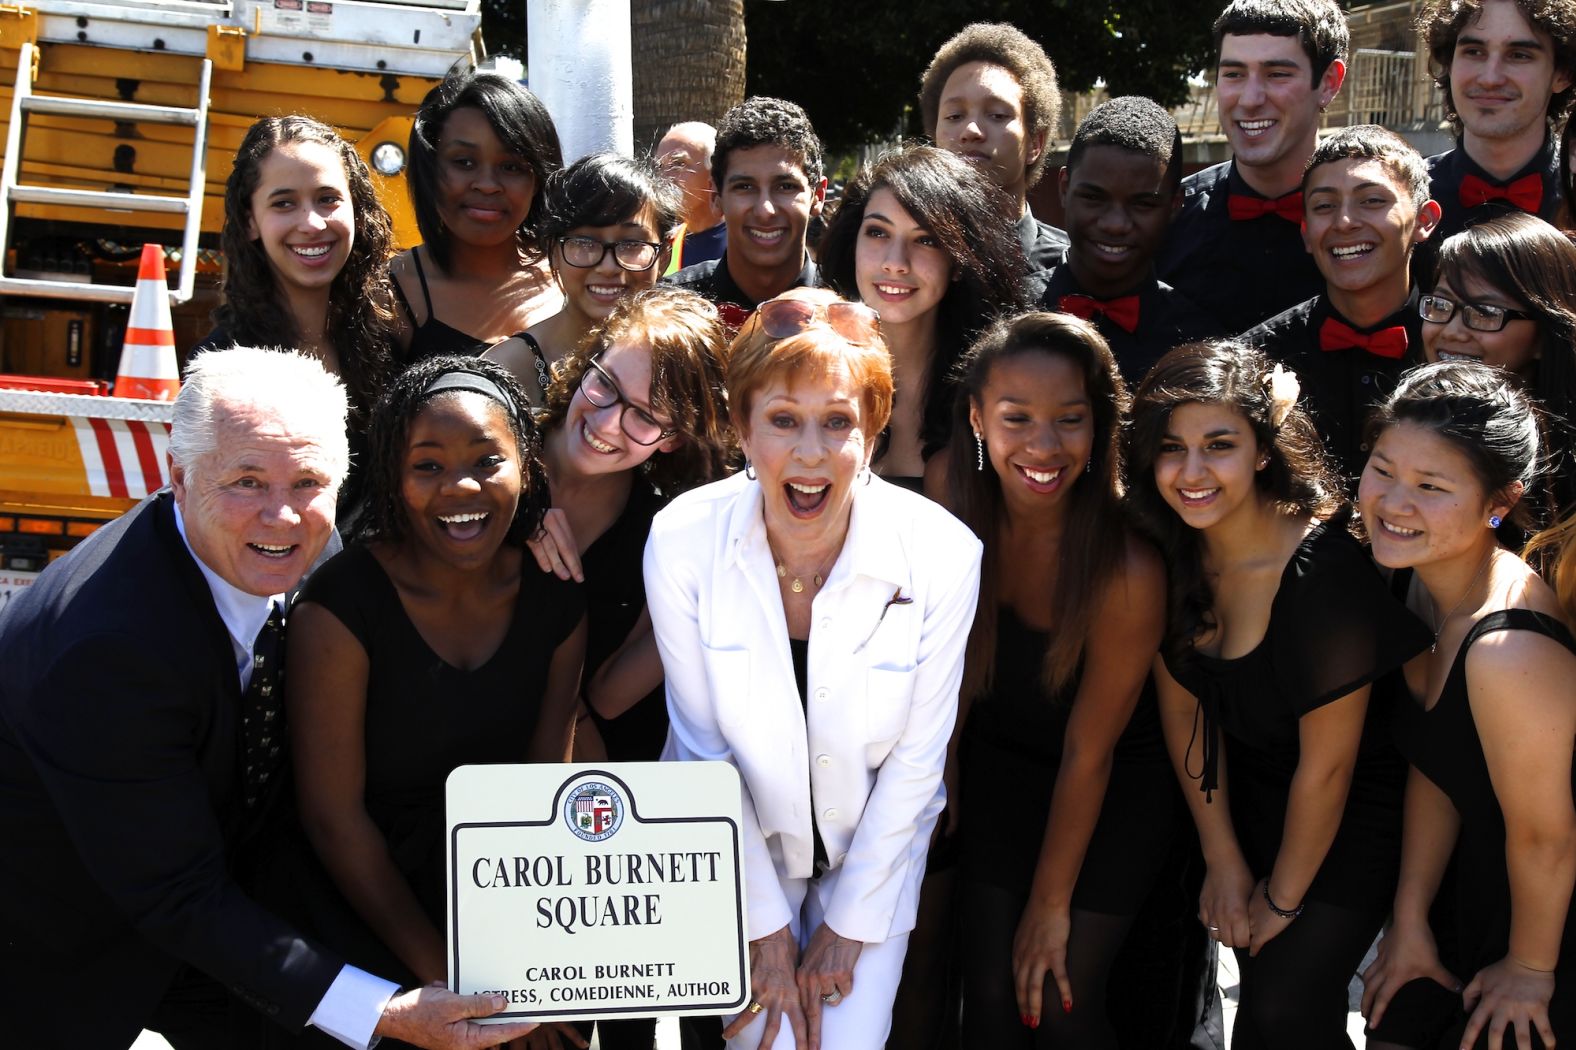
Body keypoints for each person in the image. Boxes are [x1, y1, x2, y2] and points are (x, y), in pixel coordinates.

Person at [0, 347, 535, 1050]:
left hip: (221, 928)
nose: (282, 517)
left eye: (308, 481)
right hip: (66, 955)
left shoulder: (310, 549)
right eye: (247, 481)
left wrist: (544, 535)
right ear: (179, 477)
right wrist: (381, 1011)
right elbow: (180, 897)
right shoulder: (109, 648)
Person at [645, 287, 983, 1048]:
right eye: (783, 422)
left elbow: (918, 761)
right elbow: (701, 751)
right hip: (733, 851)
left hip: (871, 855)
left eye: (838, 422)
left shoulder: (942, 555)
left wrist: (847, 921)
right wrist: (762, 928)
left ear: (874, 428)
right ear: (740, 426)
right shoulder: (681, 541)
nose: (809, 453)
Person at [1128, 338, 1431, 1049]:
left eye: (1220, 445)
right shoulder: (1170, 548)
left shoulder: (1322, 573)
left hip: (1350, 820)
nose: (1192, 472)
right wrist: (1224, 861)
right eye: (1172, 448)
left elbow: (1328, 770)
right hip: (1252, 808)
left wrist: (1282, 899)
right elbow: (1184, 715)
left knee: (1279, 1013)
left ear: (1263, 449)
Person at [282, 354, 585, 1021]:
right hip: (361, 917)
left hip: (502, 912)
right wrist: (461, 986)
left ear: (527, 468)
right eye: (428, 466)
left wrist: (532, 982)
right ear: (393, 477)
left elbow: (543, 793)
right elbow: (334, 822)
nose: (461, 488)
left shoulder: (556, 600)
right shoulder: (340, 605)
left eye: (487, 461)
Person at [932, 311, 1173, 1046]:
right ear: (977, 417)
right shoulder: (948, 489)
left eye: (1070, 420)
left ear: (1101, 426)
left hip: (1112, 785)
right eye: (1016, 418)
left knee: (1057, 1002)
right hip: (999, 766)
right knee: (992, 1003)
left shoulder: (1127, 569)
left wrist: (1050, 902)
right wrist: (941, 766)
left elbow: (1089, 753)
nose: (1043, 446)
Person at [1358, 361, 1576, 1050]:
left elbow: (1547, 836)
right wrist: (1410, 917)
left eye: (1430, 486)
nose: (1393, 502)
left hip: (1542, 921)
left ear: (1499, 502)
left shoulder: (1508, 650)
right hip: (1462, 889)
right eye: (1383, 468)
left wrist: (1531, 968)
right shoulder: (1412, 584)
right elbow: (1439, 764)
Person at [818, 144, 1028, 485]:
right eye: (877, 232)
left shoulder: (996, 393)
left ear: (959, 260)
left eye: (926, 240)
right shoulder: (813, 376)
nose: (896, 262)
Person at [1244, 125, 1442, 486]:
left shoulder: (1459, 344)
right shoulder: (1254, 358)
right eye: (1324, 206)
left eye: (1372, 201)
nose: (1345, 222)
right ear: (1306, 233)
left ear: (1423, 220)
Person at [1156, 0, 1349, 334]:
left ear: (1329, 82)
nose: (1250, 99)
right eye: (1234, 74)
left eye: (1277, 75)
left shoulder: (1374, 225)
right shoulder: (1167, 218)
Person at [199, 115, 396, 433]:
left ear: (357, 211)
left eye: (327, 199)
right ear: (250, 221)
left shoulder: (392, 341)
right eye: (284, 203)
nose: (313, 224)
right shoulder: (222, 364)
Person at [1040, 96, 1220, 386]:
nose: (1115, 224)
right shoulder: (1004, 311)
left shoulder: (1198, 344)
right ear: (1064, 188)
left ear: (1174, 206)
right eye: (1093, 198)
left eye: (1143, 204)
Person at [393, 69, 564, 361]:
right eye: (464, 162)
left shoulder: (574, 277)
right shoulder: (391, 293)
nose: (487, 185)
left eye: (511, 166)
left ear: (538, 178)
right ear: (430, 169)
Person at [1420, 210, 1576, 528]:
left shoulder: (1564, 476)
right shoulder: (1404, 422)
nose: (1451, 331)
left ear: (1545, 336)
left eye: (1485, 312)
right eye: (1440, 304)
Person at [486, 153, 680, 407]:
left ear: (663, 255)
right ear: (554, 252)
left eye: (632, 244)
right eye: (584, 242)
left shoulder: (680, 359)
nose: (608, 267)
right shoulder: (504, 373)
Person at [1415, 0, 1576, 251]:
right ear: (1449, 65)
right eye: (1474, 52)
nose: (1490, 78)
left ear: (1563, 75)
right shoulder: (1404, 198)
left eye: (1519, 55)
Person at [917, 22, 1070, 272]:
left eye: (997, 115)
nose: (971, 131)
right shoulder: (901, 264)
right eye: (955, 116)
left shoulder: (1073, 271)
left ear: (1035, 143)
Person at [664, 97, 826, 321]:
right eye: (745, 187)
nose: (765, 210)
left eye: (786, 187)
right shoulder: (672, 312)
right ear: (716, 196)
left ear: (818, 195)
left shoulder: (851, 307)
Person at [658, 121, 728, 274]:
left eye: (679, 164)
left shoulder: (749, 239)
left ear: (715, 171)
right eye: (660, 166)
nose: (664, 177)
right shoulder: (666, 247)